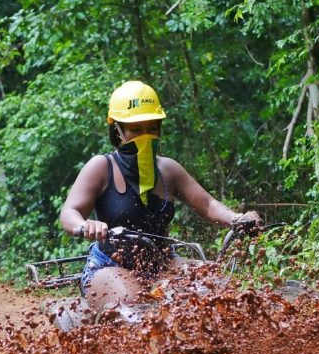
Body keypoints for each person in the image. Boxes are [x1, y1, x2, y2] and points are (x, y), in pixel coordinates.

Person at [59, 80, 261, 310]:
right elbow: (69, 212)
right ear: (117, 129)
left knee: (215, 289)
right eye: (135, 129)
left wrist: (236, 218)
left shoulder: (168, 170)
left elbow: (207, 204)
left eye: (151, 128)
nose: (145, 136)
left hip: (164, 263)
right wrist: (85, 226)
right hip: (109, 267)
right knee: (133, 307)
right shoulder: (101, 167)